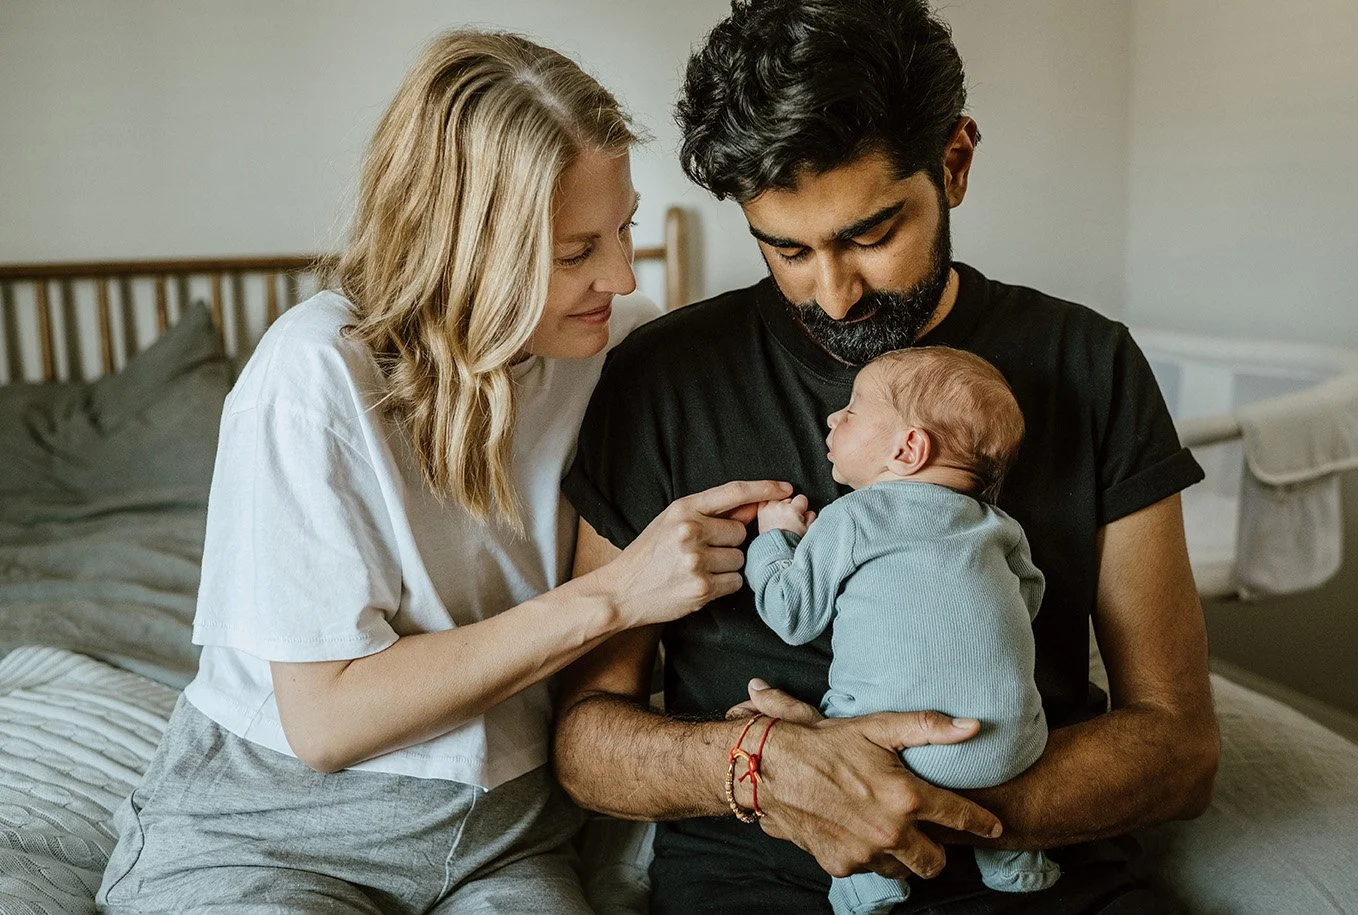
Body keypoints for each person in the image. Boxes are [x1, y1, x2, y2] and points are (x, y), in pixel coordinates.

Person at [96, 30, 789, 914]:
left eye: (624, 226)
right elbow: (327, 723)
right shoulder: (314, 375)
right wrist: (613, 595)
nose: (619, 274)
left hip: (506, 838)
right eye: (575, 252)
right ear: (463, 246)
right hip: (276, 832)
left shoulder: (619, 345)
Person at [553, 1, 1219, 912]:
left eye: (870, 236)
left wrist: (908, 800)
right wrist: (766, 767)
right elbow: (585, 742)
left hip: (1041, 882)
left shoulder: (1089, 363)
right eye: (786, 249)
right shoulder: (662, 378)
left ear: (953, 161)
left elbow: (1179, 746)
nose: (831, 294)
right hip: (759, 886)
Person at [744, 346, 1059, 913]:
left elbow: (792, 615)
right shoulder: (1000, 526)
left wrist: (777, 540)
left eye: (852, 411)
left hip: (897, 757)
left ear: (907, 449)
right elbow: (1028, 596)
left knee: (838, 732)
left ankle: (867, 881)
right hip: (1015, 745)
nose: (832, 419)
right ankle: (1014, 858)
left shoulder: (855, 515)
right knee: (1001, 710)